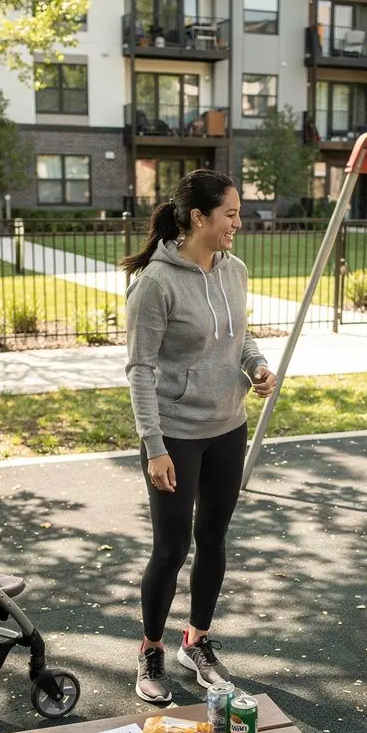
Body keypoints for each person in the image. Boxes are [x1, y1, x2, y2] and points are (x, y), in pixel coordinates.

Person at [124, 169, 277, 703]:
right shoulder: (156, 284)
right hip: (176, 435)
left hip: (226, 427)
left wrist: (256, 365)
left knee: (213, 539)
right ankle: (150, 651)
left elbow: (241, 332)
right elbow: (140, 369)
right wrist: (155, 445)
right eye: (230, 213)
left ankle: (197, 641)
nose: (239, 222)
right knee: (171, 549)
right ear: (198, 217)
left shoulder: (233, 269)